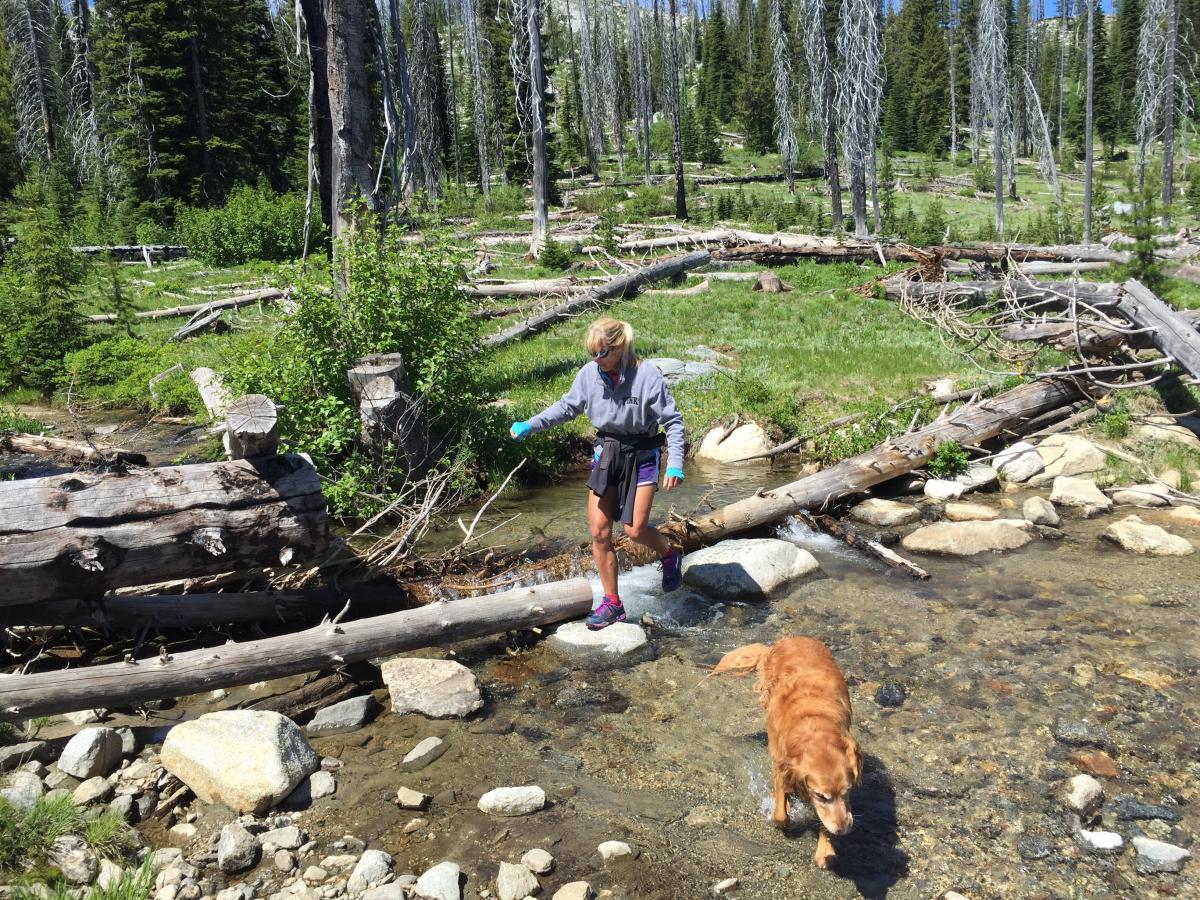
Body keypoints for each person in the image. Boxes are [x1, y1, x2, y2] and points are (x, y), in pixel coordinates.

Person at [510, 317, 686, 629]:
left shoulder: (647, 376)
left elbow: (672, 422)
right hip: (607, 453)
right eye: (592, 353)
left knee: (634, 530)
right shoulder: (589, 375)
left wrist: (675, 462)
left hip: (643, 454)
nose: (596, 360)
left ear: (620, 348)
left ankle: (669, 554)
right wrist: (531, 424)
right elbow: (566, 407)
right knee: (599, 532)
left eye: (602, 353)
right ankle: (613, 604)